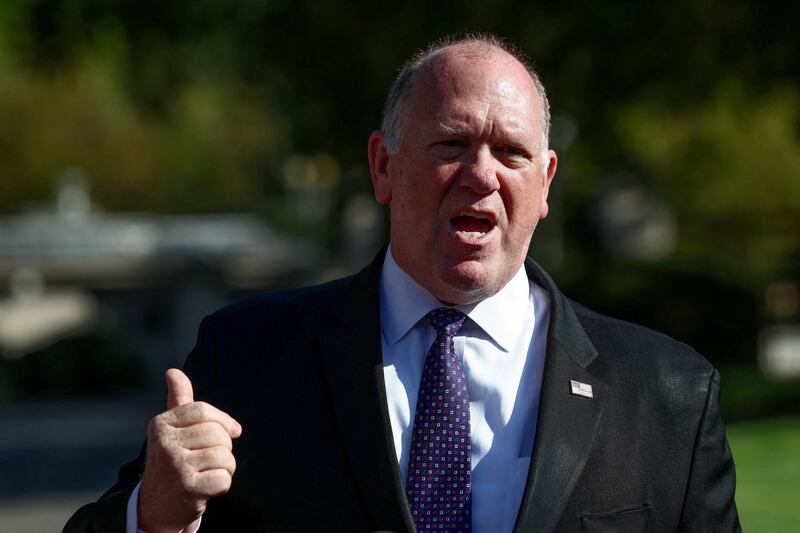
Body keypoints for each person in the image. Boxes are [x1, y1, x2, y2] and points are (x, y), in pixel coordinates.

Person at [64, 34, 740, 533]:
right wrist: (154, 515)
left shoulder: (668, 395)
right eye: (451, 144)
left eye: (511, 152)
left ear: (545, 185)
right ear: (383, 167)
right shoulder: (248, 356)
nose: (482, 175)